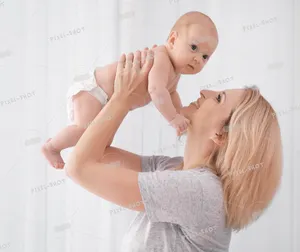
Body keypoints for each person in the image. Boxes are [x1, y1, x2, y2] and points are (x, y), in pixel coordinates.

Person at [65, 48, 283, 252]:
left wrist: (122, 99)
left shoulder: (201, 191)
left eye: (218, 98)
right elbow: (97, 153)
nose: (204, 91)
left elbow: (79, 168)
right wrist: (125, 100)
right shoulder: (172, 168)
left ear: (221, 134)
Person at [42, 11, 219, 169]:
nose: (197, 59)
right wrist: (173, 118)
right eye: (194, 47)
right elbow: (157, 91)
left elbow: (170, 93)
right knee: (85, 131)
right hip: (94, 90)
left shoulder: (174, 71)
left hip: (106, 99)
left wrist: (180, 112)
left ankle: (89, 167)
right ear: (172, 40)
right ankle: (51, 147)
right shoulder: (161, 58)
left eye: (205, 56)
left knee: (101, 141)